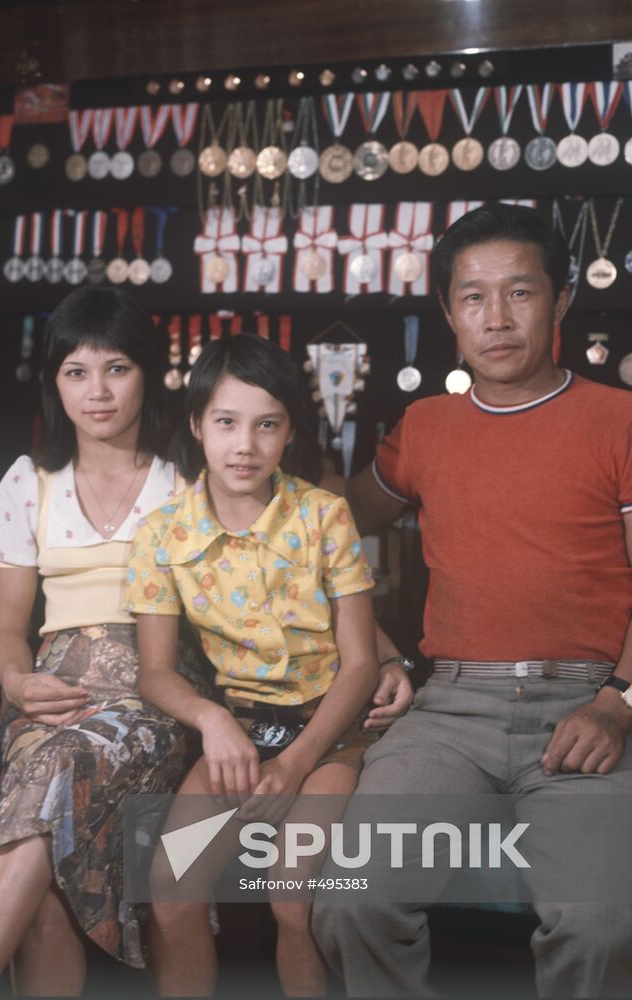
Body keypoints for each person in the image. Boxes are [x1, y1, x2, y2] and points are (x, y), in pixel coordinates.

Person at [311, 203, 632, 998]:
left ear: (559, 302)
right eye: (473, 297)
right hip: (448, 713)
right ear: (449, 314)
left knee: (602, 928)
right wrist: (263, 448)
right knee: (349, 900)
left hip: (586, 704)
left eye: (519, 293)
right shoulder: (424, 427)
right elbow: (332, 521)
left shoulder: (626, 419)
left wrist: (618, 705)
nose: (496, 318)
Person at [0, 286, 211, 996]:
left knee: (54, 768)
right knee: (44, 900)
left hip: (153, 689)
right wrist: (18, 684)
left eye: (117, 369)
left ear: (148, 374)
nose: (98, 392)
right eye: (77, 372)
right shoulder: (30, 481)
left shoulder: (185, 480)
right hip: (49, 690)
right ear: (54, 382)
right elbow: (4, 628)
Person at [126, 333, 407, 997]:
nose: (244, 445)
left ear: (288, 434)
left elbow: (362, 663)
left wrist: (297, 761)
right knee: (170, 888)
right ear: (197, 426)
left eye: (266, 425)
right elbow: (155, 672)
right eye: (225, 422)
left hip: (331, 731)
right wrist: (212, 720)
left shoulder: (324, 516)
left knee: (291, 894)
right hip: (241, 732)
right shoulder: (163, 533)